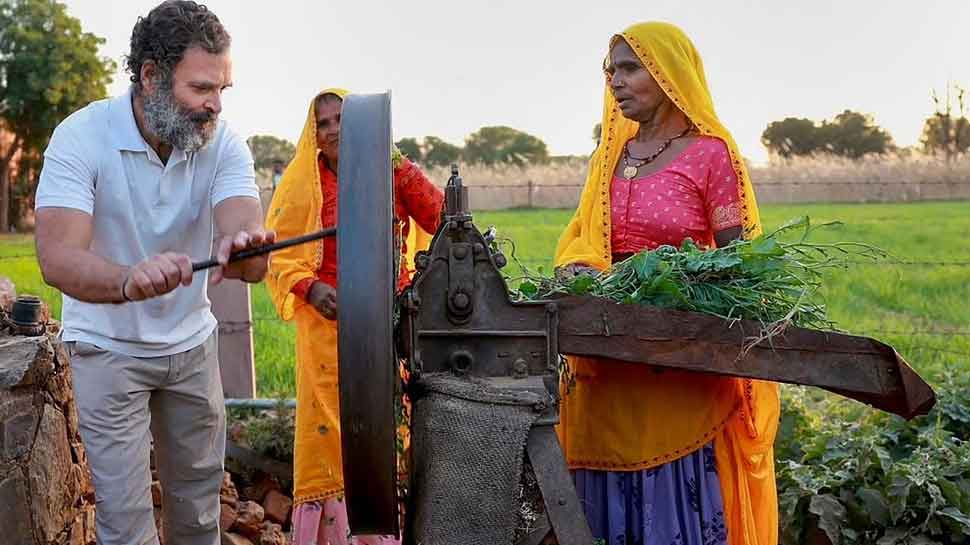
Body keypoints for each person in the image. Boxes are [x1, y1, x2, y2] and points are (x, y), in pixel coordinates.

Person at [33, 2, 272, 544]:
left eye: (221, 90)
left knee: (198, 514)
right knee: (126, 523)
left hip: (191, 348)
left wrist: (248, 247)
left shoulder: (224, 142)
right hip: (107, 350)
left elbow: (248, 242)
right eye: (200, 88)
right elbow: (57, 258)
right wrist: (127, 279)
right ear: (149, 76)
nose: (214, 106)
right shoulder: (80, 137)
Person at [554, 22, 780, 545]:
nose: (616, 81)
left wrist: (677, 282)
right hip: (605, 369)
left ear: (667, 72)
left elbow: (737, 261)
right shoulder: (609, 158)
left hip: (677, 370)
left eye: (631, 68)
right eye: (612, 69)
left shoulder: (710, 154)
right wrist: (581, 268)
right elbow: (581, 236)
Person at [264, 88, 443, 545]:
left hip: (388, 332)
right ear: (314, 136)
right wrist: (312, 287)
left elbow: (443, 219)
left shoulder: (392, 175)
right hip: (324, 336)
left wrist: (401, 167)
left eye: (342, 119)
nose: (334, 129)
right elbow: (277, 254)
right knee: (328, 443)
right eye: (322, 124)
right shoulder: (304, 184)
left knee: (385, 435)